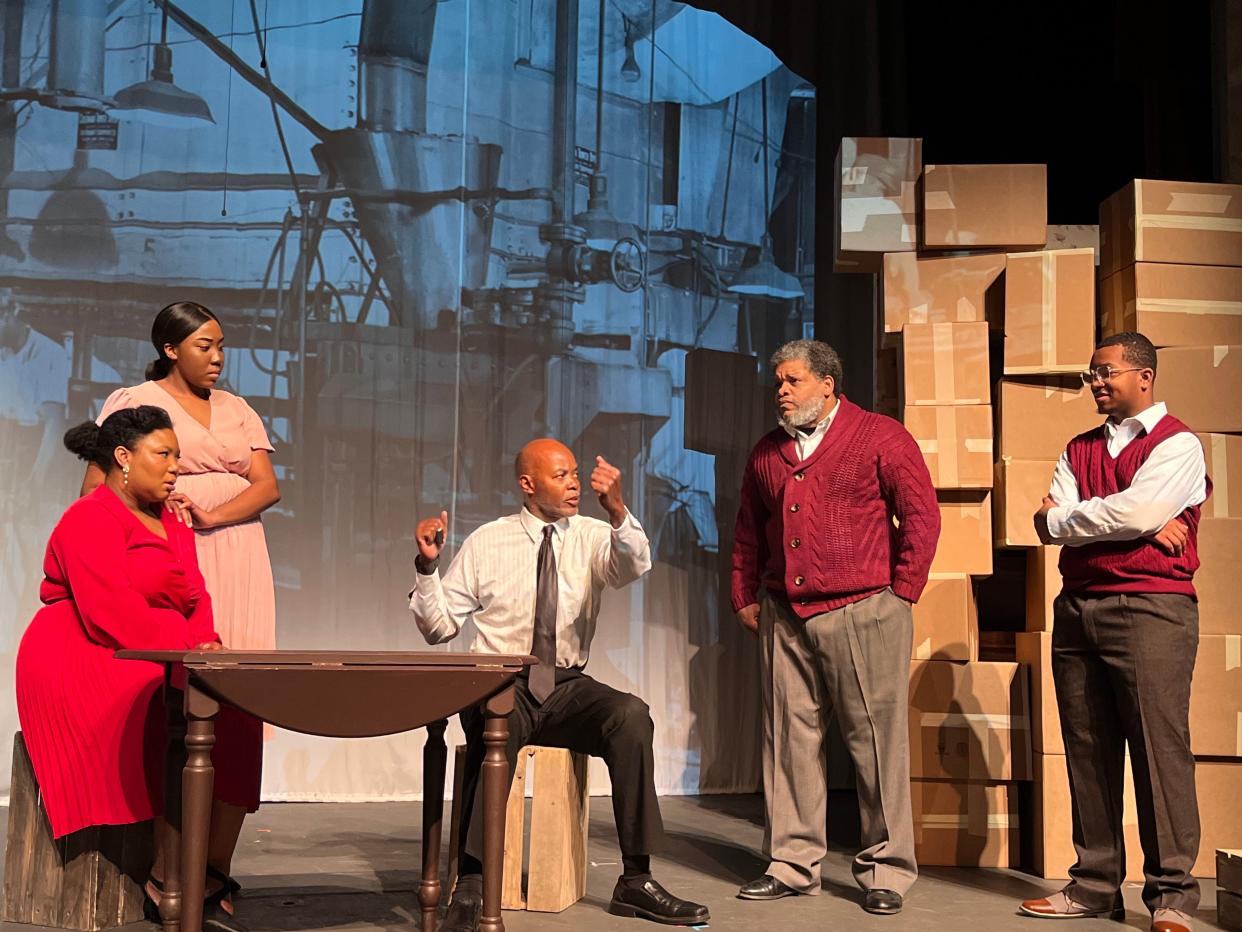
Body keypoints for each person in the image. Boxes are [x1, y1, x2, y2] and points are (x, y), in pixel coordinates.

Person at [409, 439, 710, 931]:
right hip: (499, 679)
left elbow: (634, 566)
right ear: (528, 485)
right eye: (561, 475)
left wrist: (617, 511)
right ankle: (471, 883)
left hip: (567, 684)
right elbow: (439, 627)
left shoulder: (593, 535)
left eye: (575, 474)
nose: (574, 484)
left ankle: (636, 879)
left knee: (631, 716)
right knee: (495, 721)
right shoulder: (488, 541)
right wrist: (427, 569)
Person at [15, 406, 262, 931]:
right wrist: (182, 648)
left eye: (177, 454)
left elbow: (196, 594)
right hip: (87, 649)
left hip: (164, 646)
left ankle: (210, 868)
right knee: (157, 704)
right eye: (164, 454)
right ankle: (166, 870)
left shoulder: (172, 517)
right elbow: (109, 611)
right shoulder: (87, 517)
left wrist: (206, 644)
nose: (176, 466)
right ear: (123, 458)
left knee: (240, 711)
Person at [731, 339, 940, 916]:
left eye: (793, 381)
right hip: (785, 615)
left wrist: (901, 595)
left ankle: (887, 869)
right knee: (788, 746)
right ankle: (791, 864)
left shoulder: (879, 436)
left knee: (874, 743)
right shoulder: (768, 453)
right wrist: (744, 594)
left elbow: (921, 514)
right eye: (778, 382)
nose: (781, 391)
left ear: (828, 384)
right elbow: (749, 530)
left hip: (864, 608)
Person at [1021, 332, 1208, 932]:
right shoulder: (1077, 447)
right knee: (1089, 750)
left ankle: (1173, 896)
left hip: (1151, 609)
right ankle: (1096, 885)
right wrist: (1126, 521)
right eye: (1090, 374)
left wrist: (1090, 518)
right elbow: (1051, 521)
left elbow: (1132, 512)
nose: (1095, 382)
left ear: (1144, 376)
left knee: (1159, 750)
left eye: (1106, 372)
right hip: (1077, 608)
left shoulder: (1179, 445)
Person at [82, 301, 280, 656]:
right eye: (204, 347)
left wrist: (213, 515)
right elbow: (96, 486)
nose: (217, 357)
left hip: (240, 545)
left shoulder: (237, 407)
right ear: (171, 350)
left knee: (242, 649)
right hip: (171, 540)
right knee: (182, 651)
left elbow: (267, 486)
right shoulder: (136, 402)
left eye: (221, 347)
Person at [0, 290, 70, 645]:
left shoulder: (48, 354)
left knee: (33, 561)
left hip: (36, 464)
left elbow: (53, 426)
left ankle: (26, 644)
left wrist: (34, 482)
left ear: (14, 310)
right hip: (5, 459)